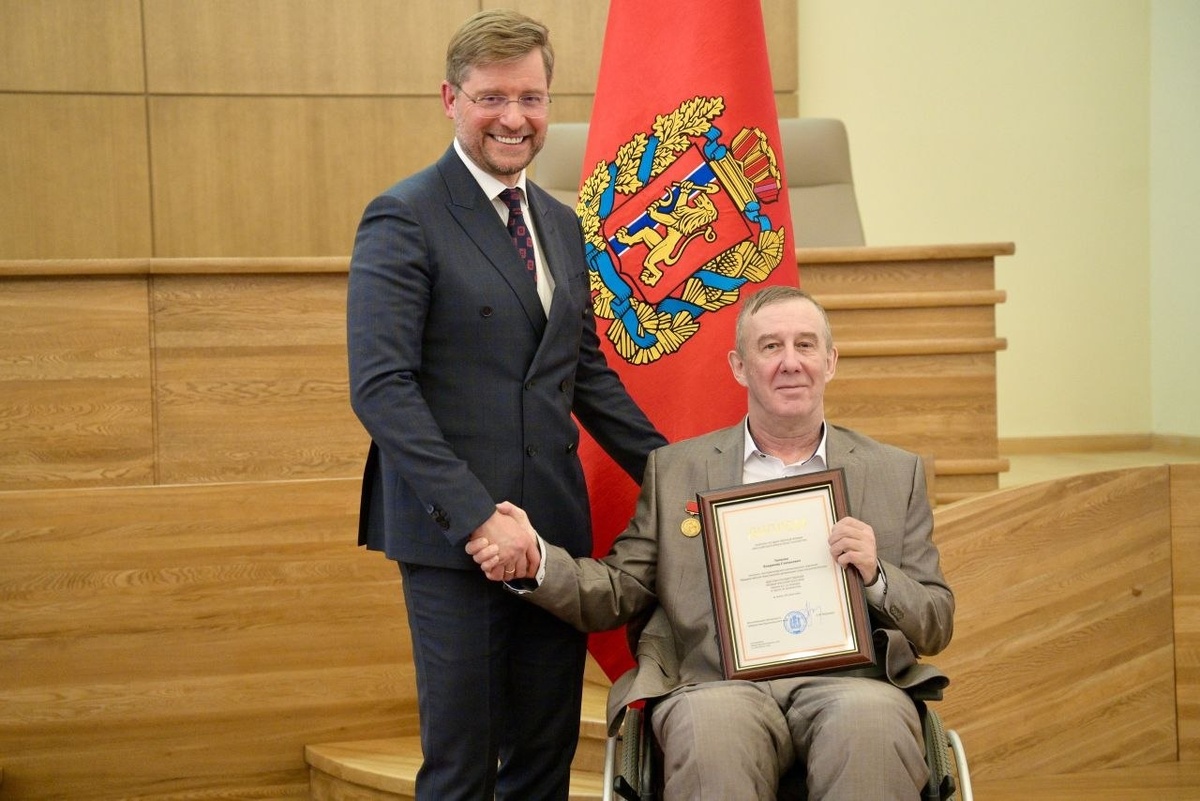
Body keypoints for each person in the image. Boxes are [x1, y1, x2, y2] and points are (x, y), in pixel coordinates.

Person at [345, 9, 667, 801]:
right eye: (491, 97)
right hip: (456, 538)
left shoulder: (560, 223)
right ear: (450, 99)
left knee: (543, 762)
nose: (513, 118)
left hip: (553, 541)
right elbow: (382, 387)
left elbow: (585, 375)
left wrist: (689, 471)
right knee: (462, 767)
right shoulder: (404, 215)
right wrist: (478, 517)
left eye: (530, 97)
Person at [469, 285, 955, 800]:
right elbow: (619, 588)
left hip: (854, 685)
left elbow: (936, 622)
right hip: (717, 684)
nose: (791, 362)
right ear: (739, 367)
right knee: (710, 731)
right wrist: (538, 560)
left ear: (830, 361)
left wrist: (877, 575)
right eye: (771, 346)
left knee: (872, 723)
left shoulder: (894, 472)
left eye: (806, 345)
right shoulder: (677, 470)